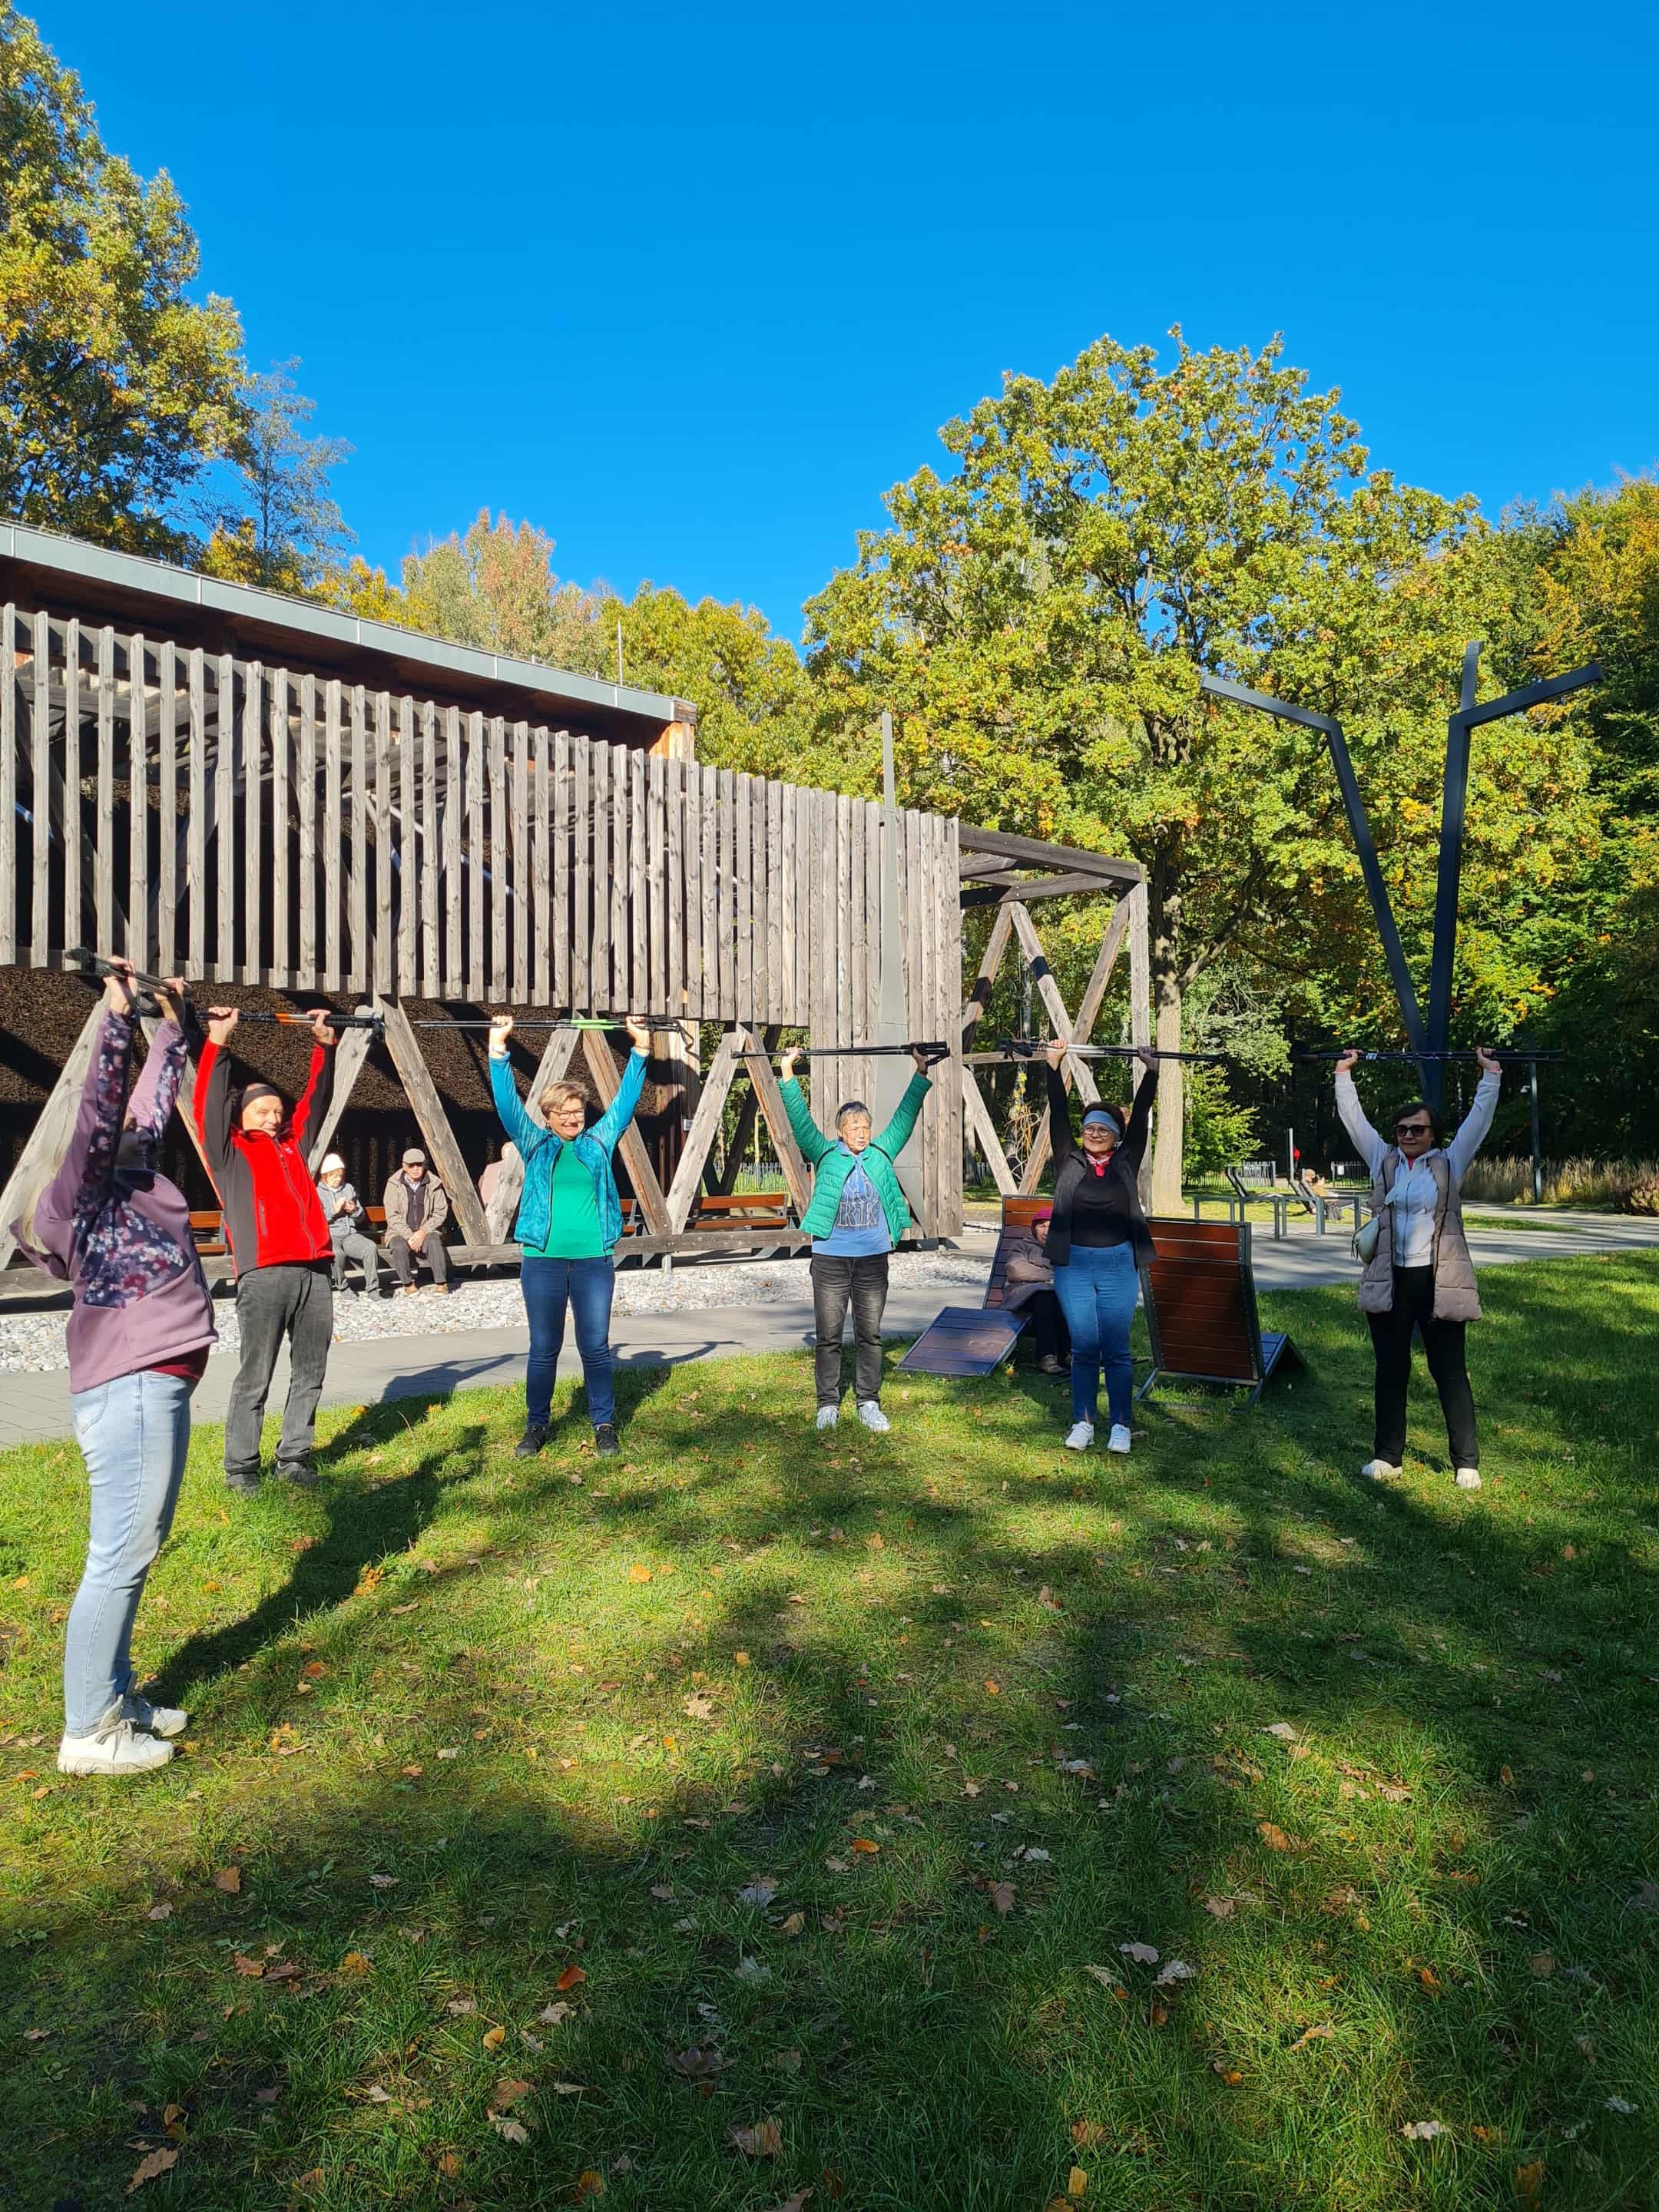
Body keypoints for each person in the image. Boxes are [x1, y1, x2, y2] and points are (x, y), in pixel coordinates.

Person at [10, 960, 216, 1775]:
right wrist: (117, 1014)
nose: (129, 1133)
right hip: (131, 1385)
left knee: (137, 1545)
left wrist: (179, 1024)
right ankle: (88, 1730)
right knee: (121, 1554)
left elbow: (145, 1107)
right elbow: (103, 1109)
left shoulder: (130, 1177)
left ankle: (116, 1692)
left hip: (148, 1381)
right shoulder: (82, 1195)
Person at [1335, 1047, 1502, 1489]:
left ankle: (1466, 1460)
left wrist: (1491, 1075)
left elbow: (1478, 1122)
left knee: (1449, 1370)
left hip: (1439, 1280)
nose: (1409, 1134)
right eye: (1402, 1129)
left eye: (1418, 1129)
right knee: (1391, 1369)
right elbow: (1355, 1122)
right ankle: (1388, 1456)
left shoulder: (1450, 1161)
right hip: (1392, 1282)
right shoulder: (1382, 1159)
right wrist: (1343, 1075)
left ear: (1433, 1134)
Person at [488, 1015, 652, 1458]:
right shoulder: (535, 1143)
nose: (573, 1118)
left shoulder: (599, 1143)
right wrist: (498, 1051)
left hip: (593, 1262)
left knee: (595, 1348)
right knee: (544, 1348)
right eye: (564, 1113)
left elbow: (624, 1103)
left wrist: (639, 1050)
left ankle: (604, 1423)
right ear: (549, 1116)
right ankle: (536, 1425)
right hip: (542, 1261)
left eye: (578, 1111)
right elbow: (507, 1107)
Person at [194, 1003, 338, 1495]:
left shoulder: (293, 1146)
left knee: (311, 1371)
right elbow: (208, 1104)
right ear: (242, 1116)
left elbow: (317, 1102)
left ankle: (294, 1456)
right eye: (265, 1110)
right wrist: (219, 1042)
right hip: (264, 1273)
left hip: (314, 1270)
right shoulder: (230, 1152)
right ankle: (241, 1469)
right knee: (255, 1375)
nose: (276, 1117)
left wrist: (322, 1046)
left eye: (279, 1110)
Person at [775, 1041, 934, 1432]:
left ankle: (868, 1401)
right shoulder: (824, 1153)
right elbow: (799, 1123)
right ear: (840, 1132)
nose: (861, 1132)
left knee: (871, 1334)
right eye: (853, 1127)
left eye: (865, 1126)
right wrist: (787, 1075)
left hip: (873, 1257)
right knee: (829, 1335)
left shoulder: (882, 1152)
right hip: (830, 1258)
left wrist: (921, 1072)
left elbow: (905, 1116)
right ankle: (827, 1403)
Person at [1042, 1041, 1162, 1454]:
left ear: (1115, 1137)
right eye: (1090, 1127)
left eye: (1103, 1129)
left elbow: (1142, 1116)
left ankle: (1121, 1426)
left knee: (1116, 1349)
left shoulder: (1125, 1162)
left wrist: (1151, 1073)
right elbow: (1058, 1113)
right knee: (1083, 1347)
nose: (1094, 1133)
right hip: (1073, 1266)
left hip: (1117, 1266)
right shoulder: (1068, 1160)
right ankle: (1083, 1421)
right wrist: (1053, 1067)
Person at [1002, 1208, 1069, 1374]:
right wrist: (1051, 1277)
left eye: (1051, 1227)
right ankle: (1046, 1356)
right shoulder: (1022, 1246)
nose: (1046, 1231)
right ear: (1034, 1229)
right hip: (1023, 1295)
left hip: (1056, 1295)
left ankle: (1068, 1353)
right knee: (1044, 1297)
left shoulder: (1065, 1249)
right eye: (1041, 1226)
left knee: (1057, 1299)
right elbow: (1015, 1269)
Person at [382, 1147, 451, 1293]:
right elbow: (392, 1215)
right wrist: (409, 1235)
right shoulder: (393, 1184)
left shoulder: (434, 1183)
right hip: (399, 1231)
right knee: (398, 1247)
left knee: (434, 1242)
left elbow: (440, 1212)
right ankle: (408, 1285)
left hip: (426, 1230)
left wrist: (422, 1232)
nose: (415, 1169)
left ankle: (441, 1283)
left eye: (419, 1165)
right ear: (404, 1166)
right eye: (411, 1165)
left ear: (424, 1165)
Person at [318, 1153, 382, 1297]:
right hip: (331, 1235)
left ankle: (373, 1288)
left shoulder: (348, 1189)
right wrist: (334, 1210)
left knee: (370, 1247)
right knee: (337, 1255)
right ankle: (343, 1286)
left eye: (340, 1175)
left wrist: (354, 1210)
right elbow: (318, 1220)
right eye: (334, 1176)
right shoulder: (318, 1193)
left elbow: (361, 1217)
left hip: (350, 1234)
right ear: (325, 1176)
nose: (338, 1179)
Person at [480, 1140, 524, 1246]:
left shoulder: (489, 1169)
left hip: (485, 1216)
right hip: (509, 1222)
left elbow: (481, 1189)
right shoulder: (521, 1171)